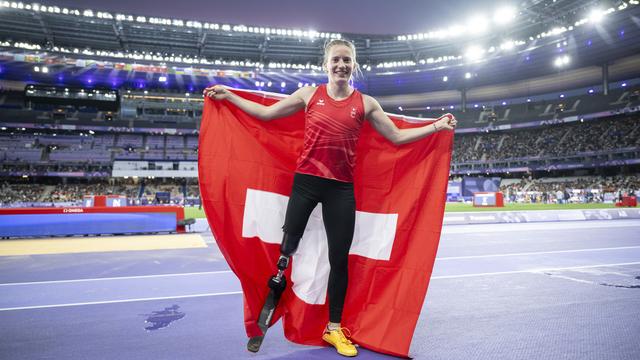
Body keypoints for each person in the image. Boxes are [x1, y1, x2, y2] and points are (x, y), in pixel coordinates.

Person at [204, 38, 456, 357]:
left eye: (346, 60)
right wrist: (229, 96)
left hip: (340, 189)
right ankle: (270, 303)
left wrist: (436, 126)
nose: (341, 65)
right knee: (285, 250)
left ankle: (334, 329)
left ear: (354, 65)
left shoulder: (365, 104)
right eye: (336, 60)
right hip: (306, 184)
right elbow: (267, 116)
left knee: (339, 261)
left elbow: (395, 136)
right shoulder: (310, 95)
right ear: (326, 64)